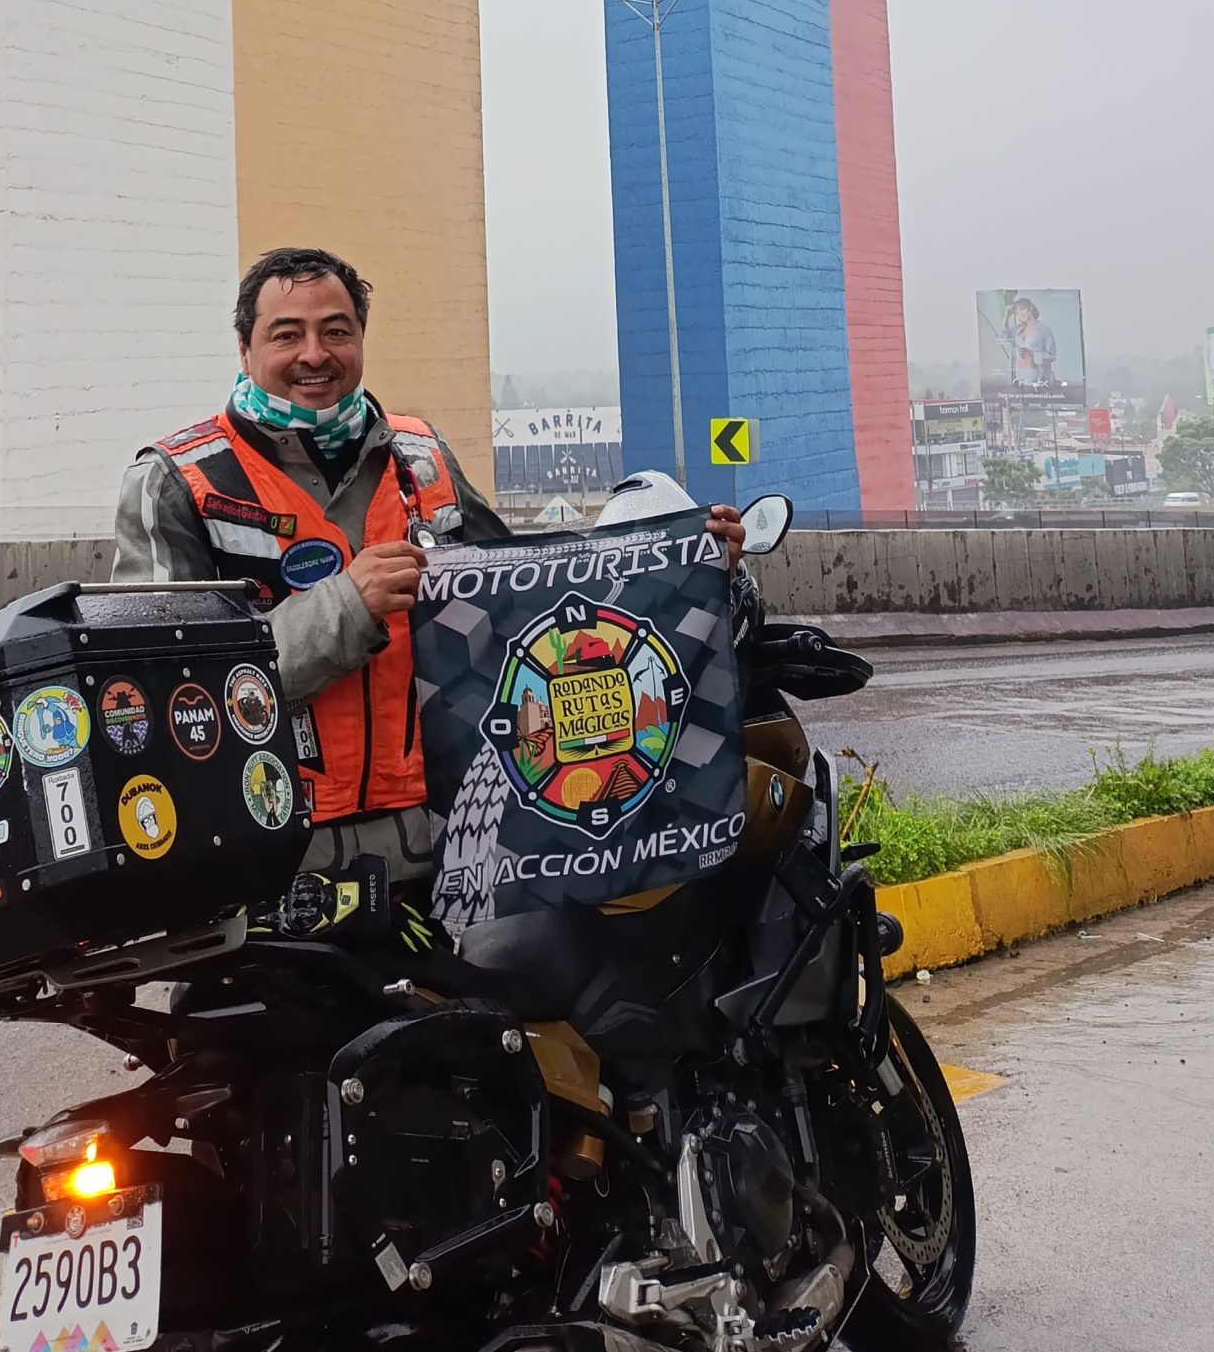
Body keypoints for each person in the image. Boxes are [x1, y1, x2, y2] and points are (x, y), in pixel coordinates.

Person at [114, 245, 743, 886]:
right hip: (270, 856)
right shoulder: (178, 482)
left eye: (337, 331)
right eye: (287, 334)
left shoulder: (423, 457)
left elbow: (530, 604)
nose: (315, 354)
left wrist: (678, 558)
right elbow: (161, 694)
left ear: (361, 340)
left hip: (442, 845)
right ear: (245, 350)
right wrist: (346, 606)